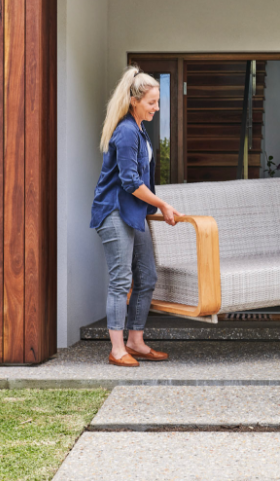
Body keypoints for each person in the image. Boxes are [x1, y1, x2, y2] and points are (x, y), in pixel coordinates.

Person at [90, 66, 183, 367]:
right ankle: (117, 349)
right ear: (134, 100)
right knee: (121, 281)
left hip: (134, 213)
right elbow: (129, 181)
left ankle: (135, 341)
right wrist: (164, 205)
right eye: (152, 102)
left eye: (158, 102)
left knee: (147, 277)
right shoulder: (127, 131)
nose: (157, 107)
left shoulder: (139, 129)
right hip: (115, 211)